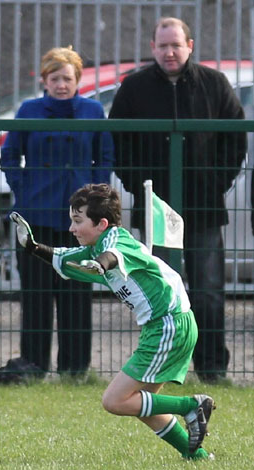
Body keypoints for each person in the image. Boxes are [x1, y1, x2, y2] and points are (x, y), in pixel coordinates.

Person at [10, 182, 216, 461]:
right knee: (142, 406)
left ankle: (192, 405)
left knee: (115, 401)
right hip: (167, 326)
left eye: (77, 220)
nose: (71, 228)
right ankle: (199, 458)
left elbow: (113, 255)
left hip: (169, 325)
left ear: (102, 223)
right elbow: (65, 259)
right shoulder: (96, 247)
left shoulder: (116, 241)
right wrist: (33, 247)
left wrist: (102, 264)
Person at [108, 17, 247, 383]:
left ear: (190, 45)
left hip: (203, 207)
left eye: (176, 45)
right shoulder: (133, 87)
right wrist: (140, 187)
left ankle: (213, 369)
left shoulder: (215, 84)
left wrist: (216, 182)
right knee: (160, 297)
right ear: (152, 47)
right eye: (163, 45)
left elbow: (236, 140)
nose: (170, 52)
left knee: (208, 292)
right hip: (154, 208)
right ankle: (163, 369)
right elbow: (118, 144)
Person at [0, 46, 114, 378]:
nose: (61, 84)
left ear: (78, 79)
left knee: (76, 293)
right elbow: (10, 155)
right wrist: (24, 189)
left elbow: (104, 157)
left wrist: (95, 199)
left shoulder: (92, 110)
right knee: (35, 293)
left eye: (68, 78)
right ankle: (33, 365)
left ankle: (75, 369)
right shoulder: (29, 110)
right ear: (44, 80)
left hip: (80, 220)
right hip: (36, 215)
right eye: (55, 78)